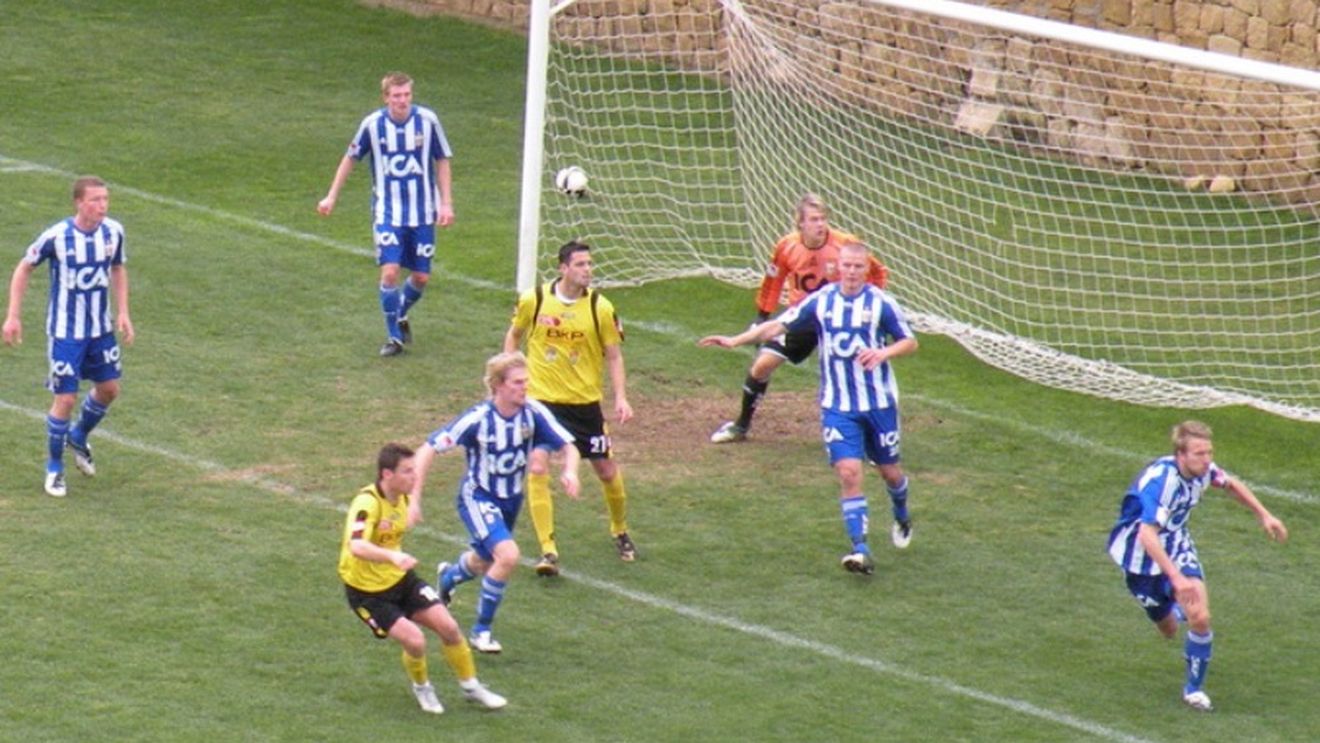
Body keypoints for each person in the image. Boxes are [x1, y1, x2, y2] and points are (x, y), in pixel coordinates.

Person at [699, 241, 917, 575]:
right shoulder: (822, 301)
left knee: (889, 472)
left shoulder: (882, 304)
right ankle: (860, 550)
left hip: (879, 404)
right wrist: (735, 340)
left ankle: (902, 513)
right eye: (847, 266)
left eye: (859, 267)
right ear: (838, 267)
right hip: (837, 406)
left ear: (866, 270)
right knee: (848, 472)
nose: (852, 272)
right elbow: (778, 326)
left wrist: (883, 354)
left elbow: (909, 341)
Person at [1106, 420, 1287, 712]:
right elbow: (1146, 534)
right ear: (1180, 455)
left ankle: (1193, 690)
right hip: (1140, 558)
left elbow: (1230, 484)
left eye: (1209, 452)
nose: (1207, 460)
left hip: (1177, 547)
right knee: (1168, 628)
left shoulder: (1204, 471)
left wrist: (1264, 515)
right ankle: (1173, 607)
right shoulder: (1161, 482)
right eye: (1199, 454)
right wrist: (1176, 579)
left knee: (1201, 617)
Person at [410, 352, 581, 654]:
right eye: (517, 382)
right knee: (508, 555)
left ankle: (448, 577)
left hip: (511, 500)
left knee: (484, 561)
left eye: (526, 381)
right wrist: (414, 498)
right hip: (477, 497)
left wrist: (570, 470)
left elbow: (569, 445)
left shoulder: (534, 412)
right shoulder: (478, 419)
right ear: (499, 385)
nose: (524, 387)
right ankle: (481, 631)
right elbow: (427, 449)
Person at [339, 443, 507, 714]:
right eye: (407, 471)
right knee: (415, 640)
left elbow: (412, 495)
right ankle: (422, 688)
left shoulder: (403, 497)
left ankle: (471, 685)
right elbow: (356, 546)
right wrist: (392, 557)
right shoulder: (367, 503)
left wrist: (414, 503)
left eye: (414, 470)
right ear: (386, 475)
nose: (414, 477)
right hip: (367, 592)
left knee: (449, 627)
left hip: (401, 580)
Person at [504, 240, 637, 577]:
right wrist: (511, 374)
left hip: (584, 405)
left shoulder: (600, 308)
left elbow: (614, 355)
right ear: (563, 268)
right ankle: (548, 550)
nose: (587, 270)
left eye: (589, 264)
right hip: (542, 402)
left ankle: (619, 530)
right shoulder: (534, 300)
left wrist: (620, 396)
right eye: (580, 264)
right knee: (537, 467)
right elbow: (515, 335)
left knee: (606, 471)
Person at [710, 193, 888, 444]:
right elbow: (774, 281)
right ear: (800, 223)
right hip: (803, 317)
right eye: (814, 219)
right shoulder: (787, 247)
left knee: (858, 377)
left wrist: (871, 308)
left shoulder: (844, 244)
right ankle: (741, 426)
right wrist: (762, 316)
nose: (820, 225)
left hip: (840, 319)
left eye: (823, 219)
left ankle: (874, 440)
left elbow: (878, 271)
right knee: (761, 366)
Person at [3, 176, 134, 498]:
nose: (102, 205)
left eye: (105, 199)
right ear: (79, 203)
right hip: (65, 333)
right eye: (95, 200)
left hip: (100, 330)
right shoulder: (58, 236)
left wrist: (123, 312)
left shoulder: (113, 232)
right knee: (65, 398)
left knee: (109, 389)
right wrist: (13, 316)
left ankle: (79, 435)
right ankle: (54, 468)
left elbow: (117, 268)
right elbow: (24, 267)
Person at [317, 71, 453, 357]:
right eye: (396, 96)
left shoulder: (427, 121)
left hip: (422, 212)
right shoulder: (372, 125)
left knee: (421, 277)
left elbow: (442, 159)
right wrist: (332, 195)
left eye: (406, 95)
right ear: (386, 97)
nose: (402, 100)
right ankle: (394, 338)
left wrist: (446, 203)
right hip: (387, 212)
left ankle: (400, 312)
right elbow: (350, 158)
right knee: (390, 272)